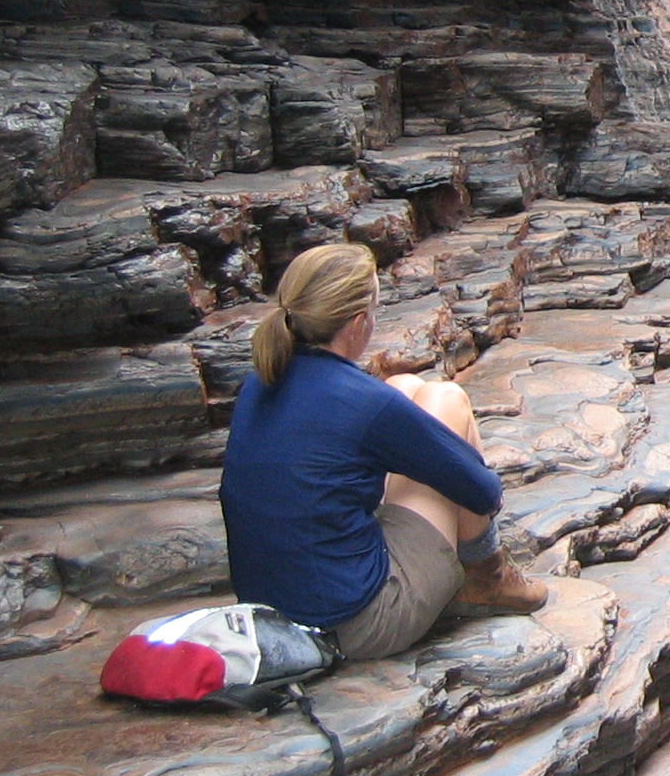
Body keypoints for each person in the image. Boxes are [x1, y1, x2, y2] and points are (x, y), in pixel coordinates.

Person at [220, 243, 546, 660]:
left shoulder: (261, 379)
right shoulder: (363, 401)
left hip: (272, 613)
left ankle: (480, 576)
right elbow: (482, 491)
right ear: (359, 322)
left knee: (404, 388)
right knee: (447, 399)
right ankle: (488, 578)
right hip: (356, 624)